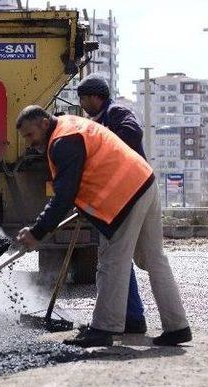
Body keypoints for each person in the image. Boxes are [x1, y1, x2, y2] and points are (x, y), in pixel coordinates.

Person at [15, 105, 191, 348]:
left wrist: (37, 232)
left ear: (44, 124)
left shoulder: (62, 141)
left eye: (30, 135)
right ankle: (178, 327)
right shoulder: (71, 125)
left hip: (125, 197)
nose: (29, 142)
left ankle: (104, 328)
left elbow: (63, 196)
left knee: (112, 261)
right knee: (154, 260)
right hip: (145, 183)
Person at [76, 73, 147, 334]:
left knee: (116, 259)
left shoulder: (117, 113)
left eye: (84, 98)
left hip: (130, 195)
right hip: (114, 198)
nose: (82, 104)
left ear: (97, 97)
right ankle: (132, 316)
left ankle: (126, 318)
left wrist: (102, 145)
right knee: (117, 259)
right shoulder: (97, 120)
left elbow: (133, 132)